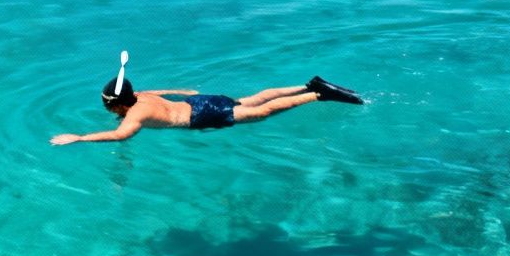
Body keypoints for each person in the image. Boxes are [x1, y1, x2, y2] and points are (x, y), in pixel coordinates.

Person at [50, 74, 363, 145]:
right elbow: (159, 91)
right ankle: (307, 84)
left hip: (201, 115)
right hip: (198, 103)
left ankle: (318, 95)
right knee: (252, 98)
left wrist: (78, 137)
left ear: (119, 105)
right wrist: (181, 91)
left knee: (261, 112)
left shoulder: (135, 115)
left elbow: (120, 136)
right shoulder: (141, 97)